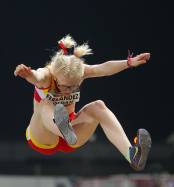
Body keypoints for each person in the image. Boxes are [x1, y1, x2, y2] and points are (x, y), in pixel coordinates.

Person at [14, 35, 151, 171]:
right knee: (46, 103)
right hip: (43, 137)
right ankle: (63, 130)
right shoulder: (47, 75)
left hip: (72, 135)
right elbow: (36, 76)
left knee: (99, 106)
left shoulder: (81, 71)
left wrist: (129, 63)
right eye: (63, 86)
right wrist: (29, 74)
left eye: (73, 87)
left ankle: (132, 156)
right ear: (55, 76)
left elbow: (103, 69)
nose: (68, 91)